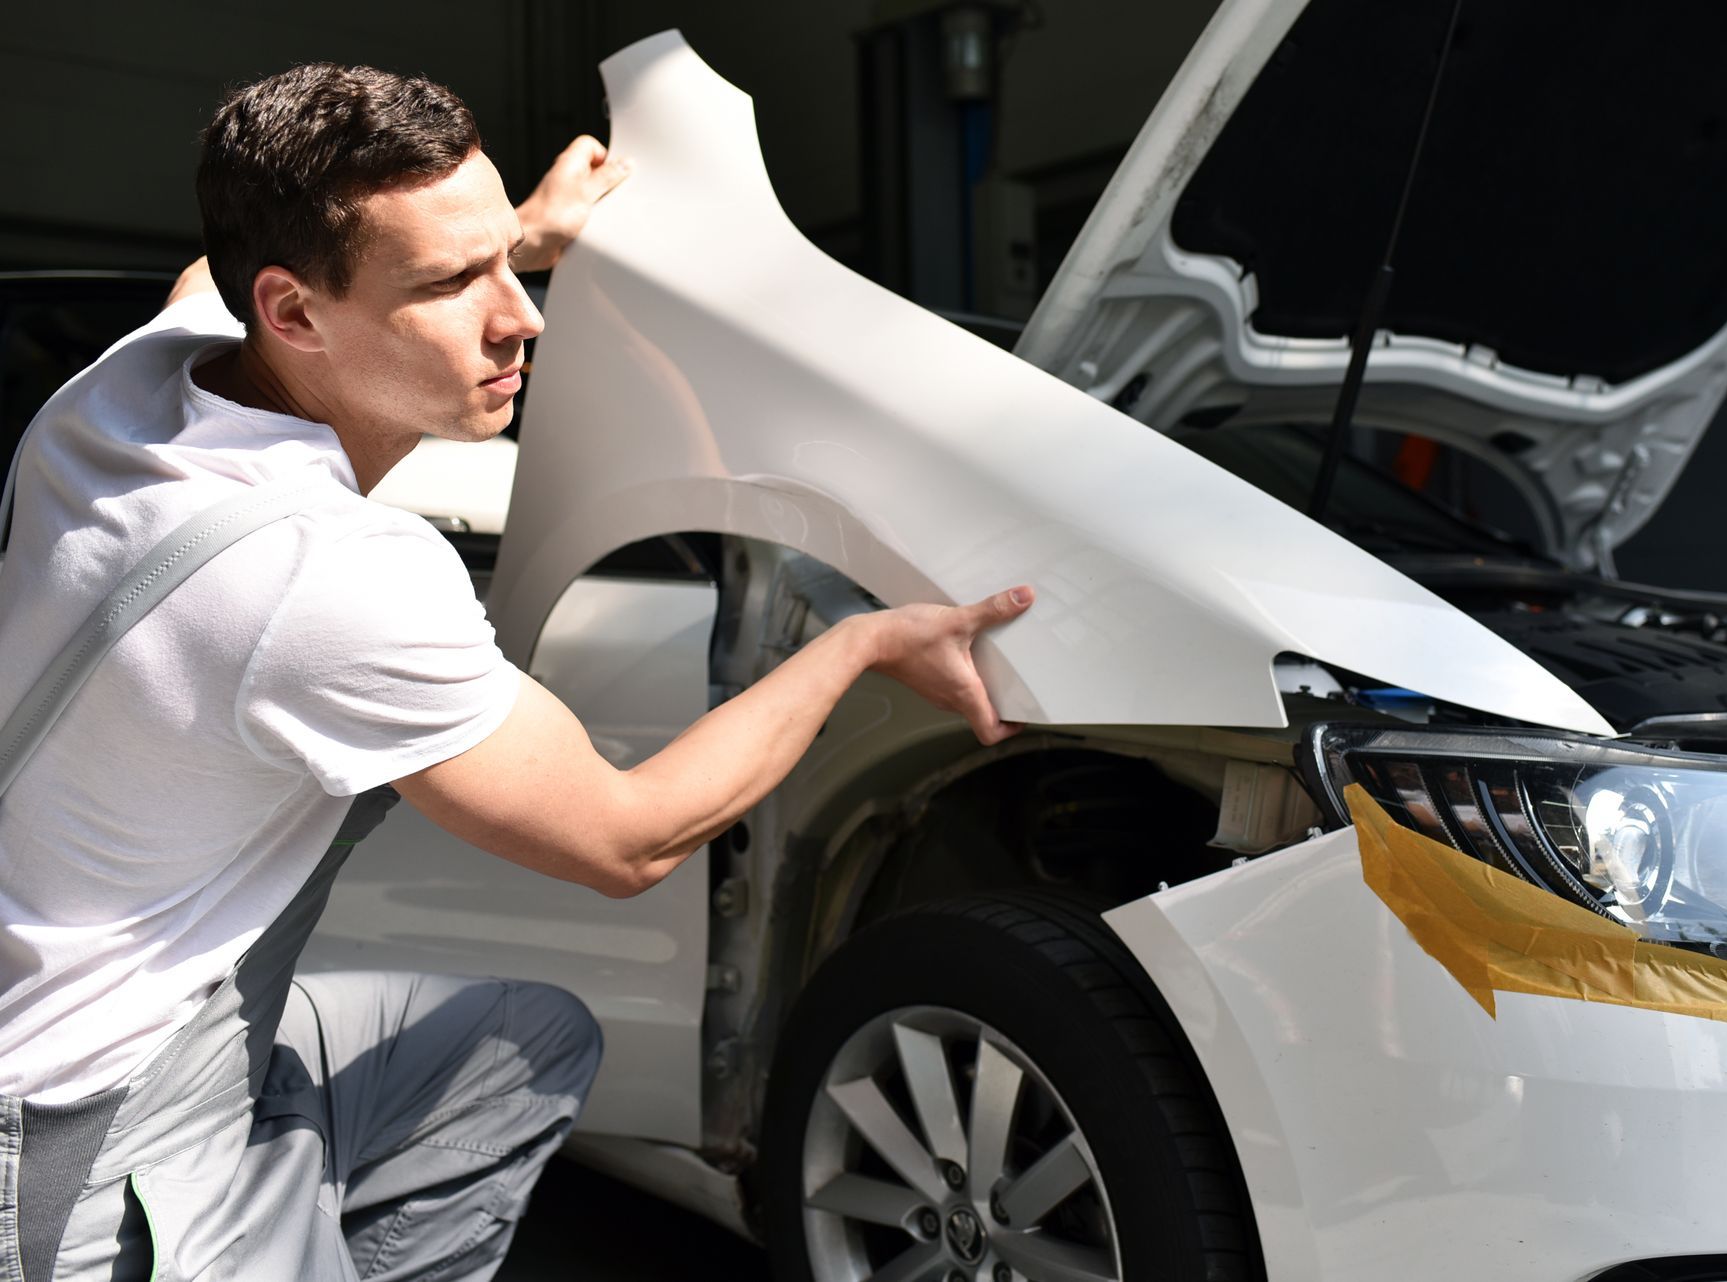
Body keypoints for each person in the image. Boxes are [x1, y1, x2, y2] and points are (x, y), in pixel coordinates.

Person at [0, 62, 1031, 1281]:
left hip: (105, 1025)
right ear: (291, 313)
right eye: (451, 284)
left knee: (520, 1045)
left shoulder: (117, 392)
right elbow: (628, 840)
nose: (521, 316)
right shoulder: (327, 575)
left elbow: (202, 276)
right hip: (83, 1142)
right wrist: (858, 644)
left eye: (505, 264)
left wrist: (520, 234)